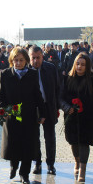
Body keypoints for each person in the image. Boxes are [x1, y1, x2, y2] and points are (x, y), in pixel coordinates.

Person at [0, 47, 46, 184]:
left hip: (29, 115)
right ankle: (13, 166)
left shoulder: (32, 74)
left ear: (26, 61)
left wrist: (42, 113)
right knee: (13, 143)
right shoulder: (5, 74)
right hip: (12, 114)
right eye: (15, 60)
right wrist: (3, 110)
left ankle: (25, 174)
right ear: (12, 61)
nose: (18, 63)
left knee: (28, 146)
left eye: (21, 60)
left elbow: (38, 95)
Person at [60, 52, 93, 182]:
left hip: (88, 118)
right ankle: (77, 162)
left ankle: (83, 170)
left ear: (87, 66)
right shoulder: (68, 79)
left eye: (83, 65)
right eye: (78, 64)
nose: (79, 67)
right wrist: (67, 108)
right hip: (72, 117)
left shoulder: (92, 80)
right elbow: (60, 98)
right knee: (73, 142)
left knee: (84, 143)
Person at [29, 46, 60, 175]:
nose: (36, 61)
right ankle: (37, 163)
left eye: (38, 58)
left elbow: (58, 88)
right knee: (34, 138)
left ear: (43, 56)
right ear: (29, 58)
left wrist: (57, 107)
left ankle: (50, 164)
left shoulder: (51, 68)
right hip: (33, 109)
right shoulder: (26, 70)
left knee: (50, 137)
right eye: (33, 58)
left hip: (48, 107)